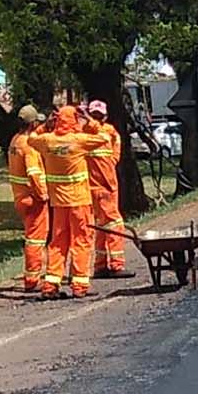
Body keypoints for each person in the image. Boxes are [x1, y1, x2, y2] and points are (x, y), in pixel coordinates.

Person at [40, 100, 99, 297]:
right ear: (74, 120)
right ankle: (80, 285)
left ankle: (51, 284)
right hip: (80, 201)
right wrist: (89, 119)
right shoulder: (79, 140)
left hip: (58, 203)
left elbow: (32, 138)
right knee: (81, 241)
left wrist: (46, 124)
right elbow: (104, 137)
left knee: (57, 242)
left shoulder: (47, 141)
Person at [5, 105, 53, 295]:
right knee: (36, 240)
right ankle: (33, 280)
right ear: (32, 123)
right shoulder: (29, 146)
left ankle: (32, 277)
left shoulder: (15, 141)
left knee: (32, 237)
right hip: (33, 199)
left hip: (20, 197)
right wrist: (43, 196)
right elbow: (33, 174)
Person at [84, 99, 128, 277]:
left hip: (103, 186)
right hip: (101, 188)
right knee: (113, 224)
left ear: (105, 116)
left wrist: (87, 119)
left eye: (98, 115)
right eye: (93, 114)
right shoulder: (87, 132)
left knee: (103, 225)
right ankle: (115, 265)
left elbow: (113, 154)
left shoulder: (108, 132)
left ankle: (101, 264)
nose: (95, 118)